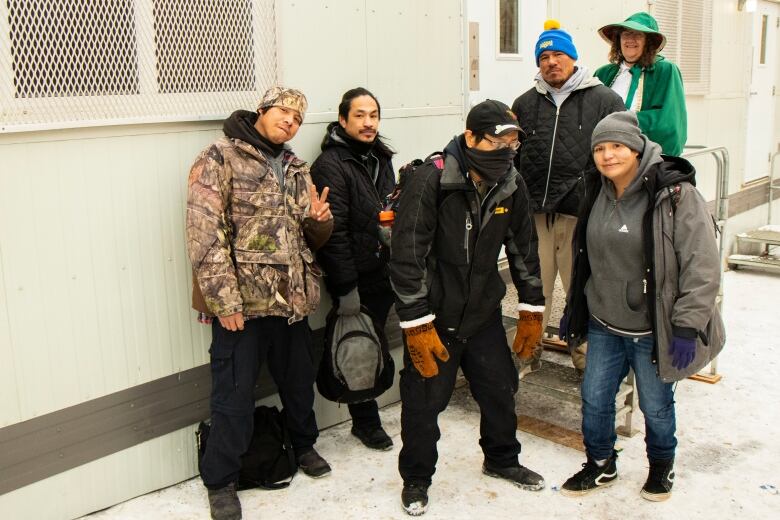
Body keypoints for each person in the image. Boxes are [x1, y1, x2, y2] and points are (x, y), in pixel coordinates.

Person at [390, 99, 547, 516]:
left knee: (500, 391)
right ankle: (417, 479)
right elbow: (407, 256)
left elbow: (524, 250)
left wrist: (532, 307)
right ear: (471, 137)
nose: (506, 151)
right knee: (424, 403)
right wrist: (416, 323)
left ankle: (501, 459)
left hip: (482, 314)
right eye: (497, 142)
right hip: (435, 318)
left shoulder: (511, 183)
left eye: (512, 143)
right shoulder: (432, 180)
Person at [559, 111, 723, 501]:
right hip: (604, 321)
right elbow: (586, 258)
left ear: (636, 148)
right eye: (599, 148)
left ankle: (661, 465)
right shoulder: (595, 190)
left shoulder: (675, 194)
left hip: (654, 327)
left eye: (616, 146)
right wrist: (575, 307)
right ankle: (600, 464)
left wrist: (686, 325)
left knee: (656, 405)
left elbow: (702, 266)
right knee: (595, 400)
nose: (607, 155)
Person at [186, 86, 334, 520]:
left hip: (291, 303)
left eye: (297, 117)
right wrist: (223, 301)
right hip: (242, 307)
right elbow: (204, 235)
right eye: (283, 112)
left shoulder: (294, 166)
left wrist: (320, 222)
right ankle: (221, 480)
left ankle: (304, 446)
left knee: (298, 382)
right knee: (232, 394)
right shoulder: (218, 157)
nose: (290, 121)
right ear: (262, 111)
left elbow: (311, 237)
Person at [511, 20, 624, 375]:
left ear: (573, 58)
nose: (551, 62)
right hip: (536, 215)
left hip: (583, 213)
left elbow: (623, 154)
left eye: (558, 54)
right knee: (532, 290)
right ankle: (527, 353)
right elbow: (514, 155)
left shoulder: (604, 99)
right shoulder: (525, 103)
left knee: (582, 290)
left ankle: (588, 361)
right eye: (544, 56)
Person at [310, 87, 396, 451]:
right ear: (343, 120)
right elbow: (335, 233)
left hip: (386, 270)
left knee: (381, 339)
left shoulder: (380, 157)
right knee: (359, 348)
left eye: (373, 115)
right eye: (359, 115)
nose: (368, 122)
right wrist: (346, 288)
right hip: (356, 277)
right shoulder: (331, 164)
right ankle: (366, 422)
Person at [594, 12, 687, 156]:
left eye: (638, 35)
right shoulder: (603, 73)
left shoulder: (665, 70)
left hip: (644, 158)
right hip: (605, 157)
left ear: (648, 42)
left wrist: (619, 124)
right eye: (626, 34)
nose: (630, 39)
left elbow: (669, 122)